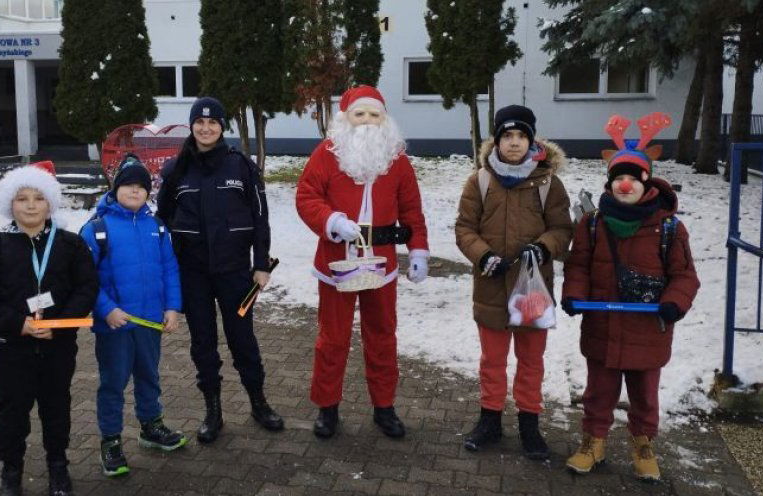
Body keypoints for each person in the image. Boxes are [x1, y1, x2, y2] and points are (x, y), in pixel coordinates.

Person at [561, 113, 699, 481]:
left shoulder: (668, 227)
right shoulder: (592, 223)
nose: (624, 185)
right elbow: (578, 266)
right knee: (599, 392)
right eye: (617, 178)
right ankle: (594, 441)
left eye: (632, 178)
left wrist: (674, 303)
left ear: (646, 181)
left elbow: (684, 275)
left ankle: (643, 444)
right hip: (602, 325)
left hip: (647, 329)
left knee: (644, 394)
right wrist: (574, 295)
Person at [295, 85, 430, 439]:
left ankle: (384, 407)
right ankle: (328, 407)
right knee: (333, 338)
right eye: (360, 114)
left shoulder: (397, 159)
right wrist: (332, 221)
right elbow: (307, 196)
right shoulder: (326, 154)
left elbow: (412, 209)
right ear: (345, 118)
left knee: (383, 336)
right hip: (336, 263)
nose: (368, 121)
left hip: (382, 265)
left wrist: (418, 249)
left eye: (374, 114)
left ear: (385, 119)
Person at [0, 163, 98, 496]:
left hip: (57, 345)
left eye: (39, 197)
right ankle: (11, 470)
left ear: (50, 203)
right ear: (10, 203)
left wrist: (59, 324)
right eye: (22, 198)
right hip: (11, 346)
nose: (31, 205)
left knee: (57, 406)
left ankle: (58, 466)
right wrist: (16, 323)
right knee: (13, 409)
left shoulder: (69, 245)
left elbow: (86, 287)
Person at [156, 96, 283, 444]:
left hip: (235, 273)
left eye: (213, 123)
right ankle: (213, 411)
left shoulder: (240, 166)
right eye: (200, 122)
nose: (206, 127)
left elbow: (260, 218)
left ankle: (259, 403)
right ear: (192, 124)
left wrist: (261, 264)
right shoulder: (176, 169)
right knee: (204, 344)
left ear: (221, 127)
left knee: (243, 341)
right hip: (192, 273)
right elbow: (161, 221)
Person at [454, 104, 573, 459]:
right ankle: (489, 420)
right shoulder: (481, 181)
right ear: (497, 140)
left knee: (531, 360)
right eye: (508, 135)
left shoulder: (548, 183)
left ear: (532, 139)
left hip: (532, 289)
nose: (515, 143)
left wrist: (543, 247)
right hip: (491, 286)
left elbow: (562, 229)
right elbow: (464, 228)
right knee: (492, 360)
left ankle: (529, 424)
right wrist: (482, 254)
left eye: (522, 135)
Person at [79, 155, 188, 477]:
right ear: (115, 189)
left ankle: (150, 425)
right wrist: (107, 310)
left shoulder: (157, 226)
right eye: (128, 184)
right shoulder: (96, 229)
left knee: (148, 375)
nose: (135, 191)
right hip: (114, 325)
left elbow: (169, 268)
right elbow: (85, 279)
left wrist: (172, 307)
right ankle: (111, 440)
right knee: (113, 383)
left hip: (150, 322)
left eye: (142, 186)